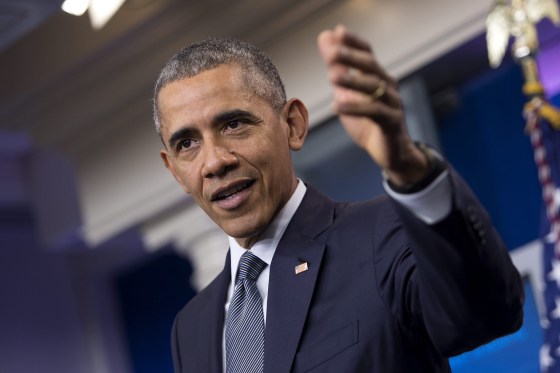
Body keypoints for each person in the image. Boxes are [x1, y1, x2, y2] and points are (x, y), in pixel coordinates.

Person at [153, 25, 524, 373]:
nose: (215, 161)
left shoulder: (383, 233)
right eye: (187, 144)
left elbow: (484, 316)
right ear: (174, 170)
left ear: (293, 125)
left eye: (233, 124)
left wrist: (411, 170)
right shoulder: (191, 328)